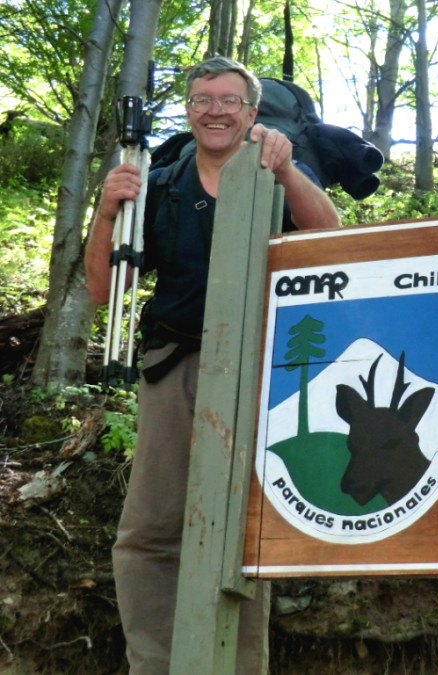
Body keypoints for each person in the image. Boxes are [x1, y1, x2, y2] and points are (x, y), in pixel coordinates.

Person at [85, 56, 340, 674]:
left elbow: (329, 236)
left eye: (230, 100)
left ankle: (238, 664)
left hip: (258, 369)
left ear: (252, 111)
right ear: (190, 113)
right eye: (202, 101)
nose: (216, 110)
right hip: (171, 364)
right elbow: (101, 290)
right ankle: (155, 664)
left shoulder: (275, 168)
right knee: (148, 531)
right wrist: (106, 210)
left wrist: (284, 170)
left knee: (242, 531)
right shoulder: (160, 183)